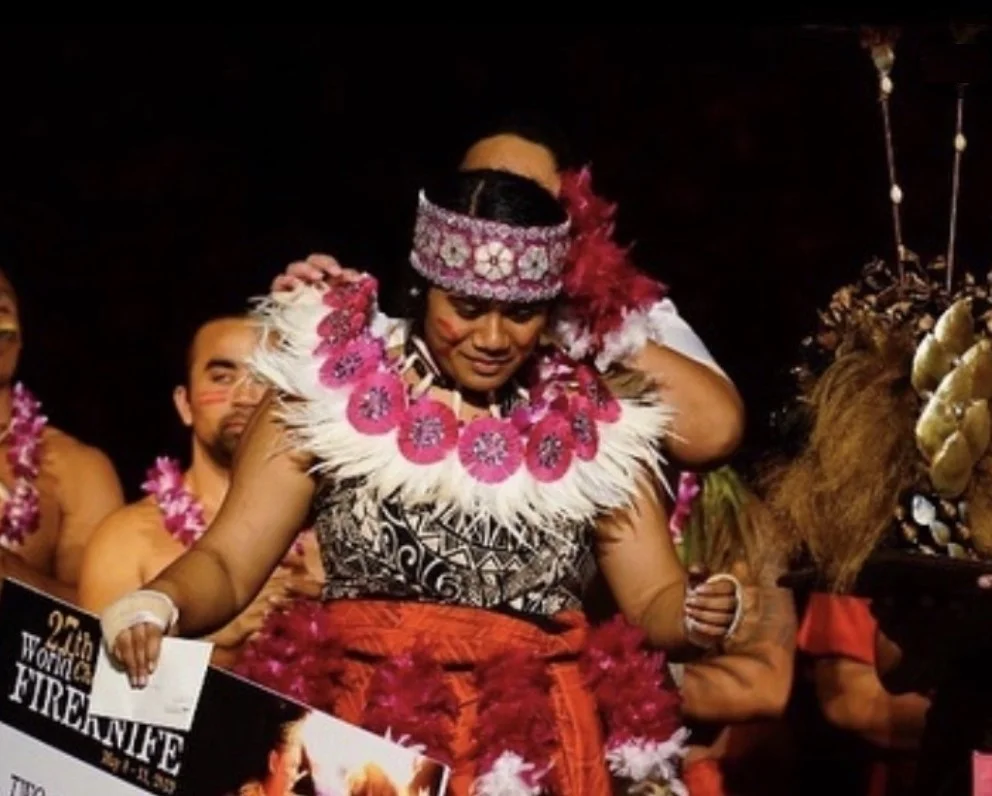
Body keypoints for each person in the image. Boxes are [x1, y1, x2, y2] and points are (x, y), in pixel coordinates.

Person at [99, 169, 747, 795]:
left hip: (528, 752)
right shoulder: (323, 397)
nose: (493, 337)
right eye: (467, 308)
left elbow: (653, 597)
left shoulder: (592, 423)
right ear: (422, 289)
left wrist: (694, 611)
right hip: (360, 739)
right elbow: (228, 561)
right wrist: (161, 601)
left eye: (521, 314)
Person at [274, 114, 744, 468]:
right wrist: (307, 313)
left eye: (524, 197)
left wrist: (572, 323)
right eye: (481, 190)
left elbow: (714, 431)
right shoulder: (400, 314)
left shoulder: (631, 320)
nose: (499, 216)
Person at [78, 315, 322, 666]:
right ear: (184, 404)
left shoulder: (333, 538)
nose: (246, 397)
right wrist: (219, 637)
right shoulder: (126, 540)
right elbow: (100, 681)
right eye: (223, 377)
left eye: (266, 378)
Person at [0, 268, 124, 602]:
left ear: (20, 338)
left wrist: (10, 576)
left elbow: (100, 614)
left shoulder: (76, 469)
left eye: (2, 310)